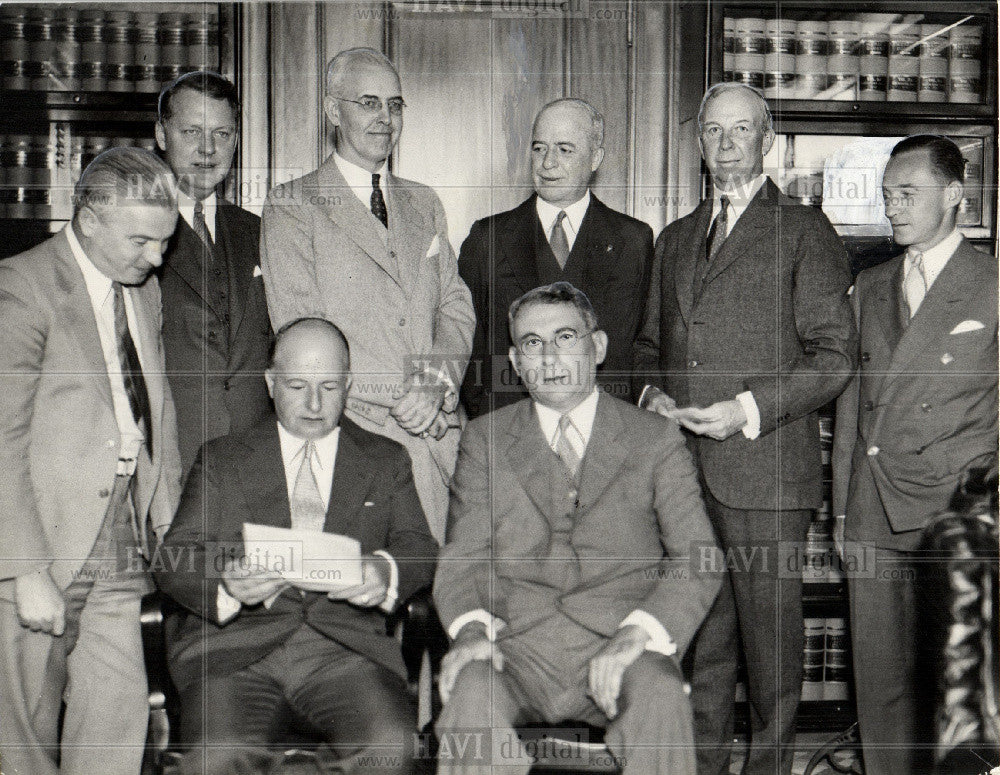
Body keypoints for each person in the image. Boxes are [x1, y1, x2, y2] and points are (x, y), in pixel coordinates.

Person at [633, 82, 858, 774]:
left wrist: (746, 410)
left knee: (772, 664)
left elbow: (835, 357)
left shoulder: (805, 230)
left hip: (765, 478)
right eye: (713, 131)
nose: (725, 144)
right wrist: (652, 399)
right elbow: (647, 348)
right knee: (705, 650)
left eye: (741, 131)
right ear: (698, 142)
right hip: (688, 480)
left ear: (766, 141)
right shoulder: (674, 238)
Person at [434, 282, 720, 775]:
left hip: (620, 643)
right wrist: (471, 630)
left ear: (599, 346)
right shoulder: (485, 440)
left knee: (661, 697)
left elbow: (699, 558)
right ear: (515, 361)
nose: (548, 357)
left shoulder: (654, 438)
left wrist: (641, 632)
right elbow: (464, 557)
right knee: (471, 693)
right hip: (516, 646)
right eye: (531, 343)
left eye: (565, 337)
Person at [156, 317, 438, 775]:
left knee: (392, 750)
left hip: (345, 652)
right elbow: (173, 557)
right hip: (234, 652)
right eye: (296, 386)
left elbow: (418, 545)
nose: (313, 404)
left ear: (348, 384)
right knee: (216, 758)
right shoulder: (222, 459)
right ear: (270, 383)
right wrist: (227, 584)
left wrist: (386, 572)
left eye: (329, 387)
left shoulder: (385, 459)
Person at [0, 147, 183, 775]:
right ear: (88, 220)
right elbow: (1, 436)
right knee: (20, 737)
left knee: (116, 717)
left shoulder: (145, 290)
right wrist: (24, 570)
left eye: (166, 240)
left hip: (121, 541)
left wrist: (168, 523)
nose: (157, 257)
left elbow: (158, 408)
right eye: (141, 240)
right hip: (41, 543)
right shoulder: (22, 287)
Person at [831, 134, 998, 775]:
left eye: (907, 194)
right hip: (873, 505)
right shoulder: (870, 286)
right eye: (887, 195)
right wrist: (843, 516)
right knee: (879, 684)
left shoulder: (991, 285)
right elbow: (853, 405)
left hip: (956, 511)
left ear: (955, 195)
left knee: (954, 687)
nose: (892, 208)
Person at [260, 47, 474, 543]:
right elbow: (301, 336)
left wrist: (434, 382)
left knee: (440, 601)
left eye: (395, 105)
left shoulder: (424, 201)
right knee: (362, 599)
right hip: (352, 441)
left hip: (438, 441)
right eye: (369, 103)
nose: (385, 118)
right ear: (334, 112)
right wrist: (408, 398)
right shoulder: (293, 204)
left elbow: (454, 305)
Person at [458, 98, 653, 417]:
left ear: (595, 158)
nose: (548, 163)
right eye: (539, 148)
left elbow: (642, 347)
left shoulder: (634, 240)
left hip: (605, 437)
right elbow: (467, 340)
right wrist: (490, 414)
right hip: (512, 435)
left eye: (565, 149)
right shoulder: (487, 238)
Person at [155, 71, 273, 477]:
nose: (207, 149)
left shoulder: (260, 232)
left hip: (253, 460)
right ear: (161, 134)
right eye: (191, 131)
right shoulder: (137, 232)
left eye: (222, 134)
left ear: (237, 140)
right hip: (171, 459)